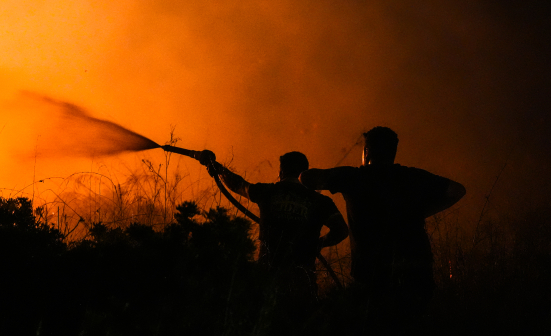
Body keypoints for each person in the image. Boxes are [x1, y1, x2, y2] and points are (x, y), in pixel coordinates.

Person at [300, 126, 466, 316]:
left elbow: (306, 178)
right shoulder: (412, 176)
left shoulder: (354, 177)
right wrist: (422, 212)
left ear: (367, 151)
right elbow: (457, 190)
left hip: (373, 275)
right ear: (393, 152)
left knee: (375, 331)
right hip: (416, 271)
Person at [199, 151, 348, 299]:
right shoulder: (321, 201)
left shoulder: (268, 191)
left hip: (267, 278)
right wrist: (318, 244)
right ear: (306, 172)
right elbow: (341, 230)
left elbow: (238, 184)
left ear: (281, 171)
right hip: (302, 280)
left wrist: (217, 168)